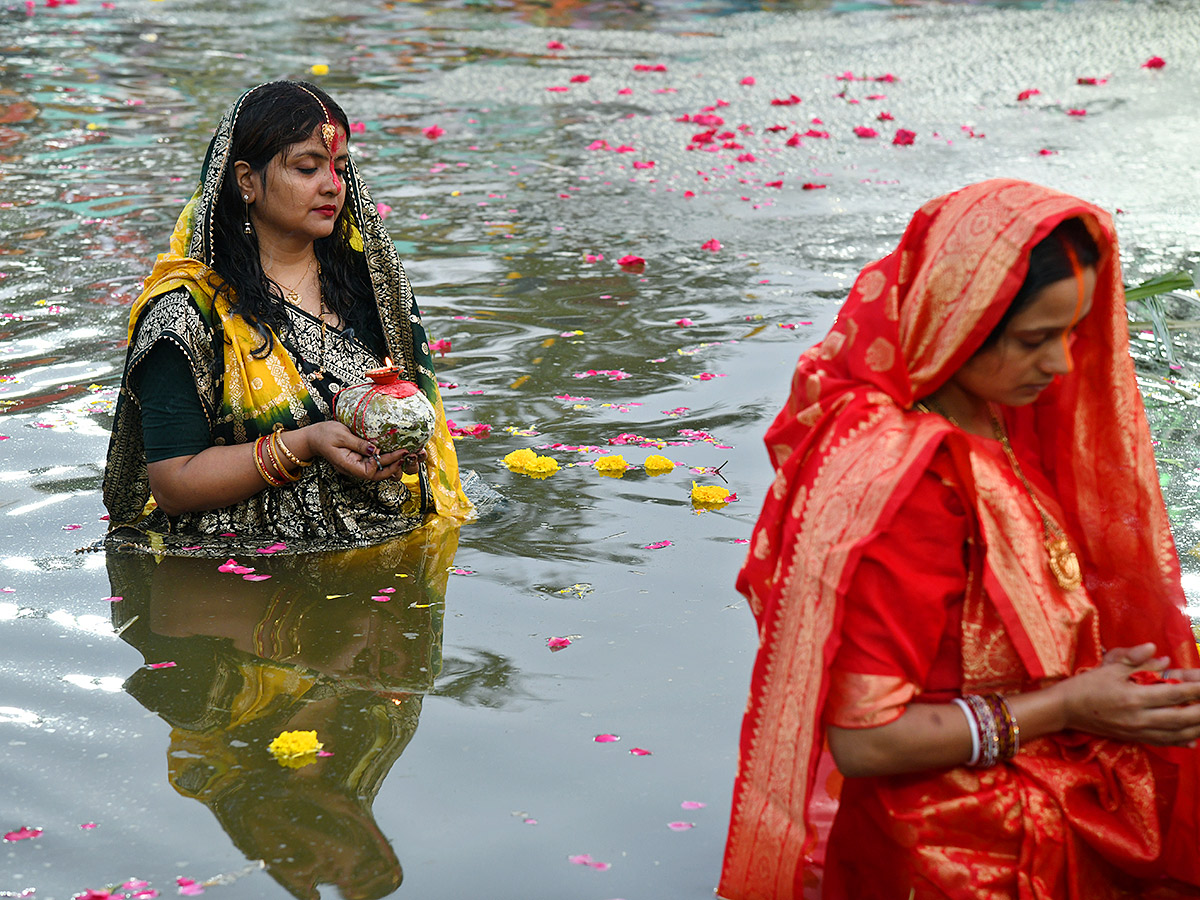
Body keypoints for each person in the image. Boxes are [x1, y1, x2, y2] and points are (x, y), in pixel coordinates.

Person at [718, 179, 1200, 900]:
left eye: (1071, 334)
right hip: (953, 854)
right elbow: (865, 741)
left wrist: (1103, 686)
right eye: (1036, 340)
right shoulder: (910, 488)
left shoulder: (991, 416)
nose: (1064, 365)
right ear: (958, 324)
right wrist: (1070, 707)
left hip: (1023, 792)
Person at [103, 81, 473, 555]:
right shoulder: (185, 315)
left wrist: (398, 445)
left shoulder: (368, 292)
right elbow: (172, 484)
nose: (332, 187)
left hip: (381, 557)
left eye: (340, 168)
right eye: (306, 167)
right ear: (246, 180)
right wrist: (307, 442)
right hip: (238, 581)